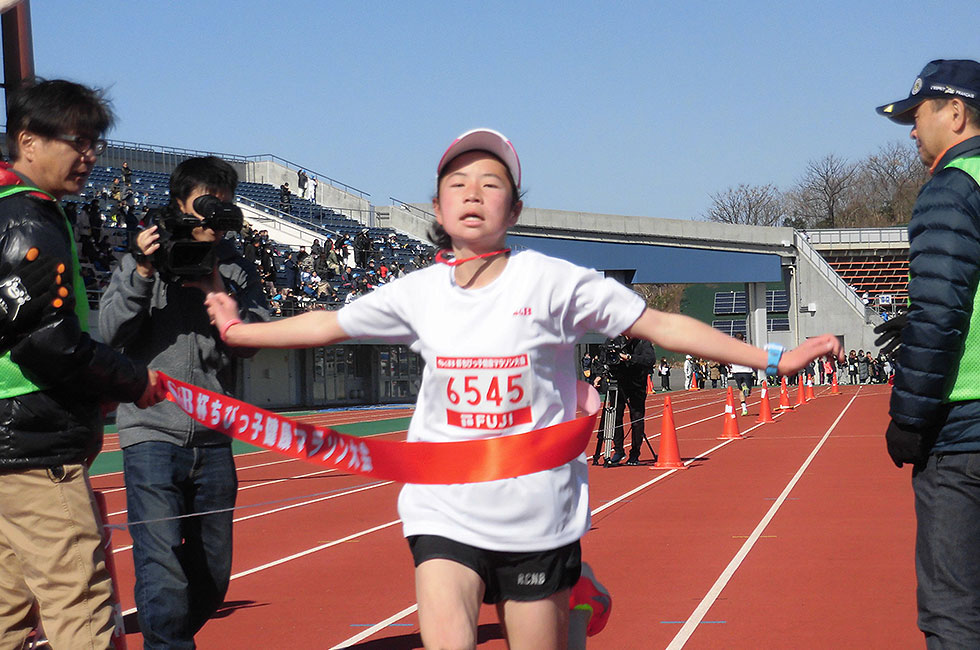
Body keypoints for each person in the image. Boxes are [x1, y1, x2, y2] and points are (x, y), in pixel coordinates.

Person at [204, 128, 842, 649]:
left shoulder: (555, 284)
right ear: (437, 209)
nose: (473, 194)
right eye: (457, 184)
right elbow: (328, 324)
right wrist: (240, 333)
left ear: (514, 209)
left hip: (537, 509)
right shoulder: (417, 293)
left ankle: (573, 598)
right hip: (443, 504)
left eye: (492, 184)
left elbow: (660, 323)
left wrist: (773, 357)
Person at [0, 78, 164, 649]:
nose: (90, 154)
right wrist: (132, 378)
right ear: (28, 140)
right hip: (35, 447)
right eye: (79, 140)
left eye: (95, 142)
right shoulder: (27, 221)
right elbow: (48, 344)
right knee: (83, 611)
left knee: (7, 615)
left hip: (8, 449)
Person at [99, 156, 270, 649]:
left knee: (212, 576)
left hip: (214, 436)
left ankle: (168, 635)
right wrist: (143, 271)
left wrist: (221, 294)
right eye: (203, 206)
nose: (213, 219)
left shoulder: (236, 263)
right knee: (161, 569)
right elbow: (110, 332)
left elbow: (256, 338)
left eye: (224, 207)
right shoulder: (141, 256)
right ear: (178, 203)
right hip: (151, 432)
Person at [876, 59, 980, 646]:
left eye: (918, 115)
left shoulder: (954, 185)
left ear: (956, 113)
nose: (912, 131)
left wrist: (909, 421)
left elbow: (941, 311)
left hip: (964, 429)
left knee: (954, 611)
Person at [606, 335, 656, 466]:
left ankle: (635, 454)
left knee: (637, 419)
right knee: (615, 416)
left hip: (637, 384)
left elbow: (650, 359)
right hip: (618, 382)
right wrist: (600, 375)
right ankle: (618, 450)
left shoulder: (643, 340)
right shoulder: (613, 340)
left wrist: (629, 358)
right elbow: (603, 359)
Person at [729, 333, 755, 416]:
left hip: (736, 371)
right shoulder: (748, 347)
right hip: (747, 370)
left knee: (740, 390)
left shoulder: (731, 348)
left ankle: (744, 408)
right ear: (743, 339)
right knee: (748, 391)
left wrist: (730, 367)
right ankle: (745, 388)